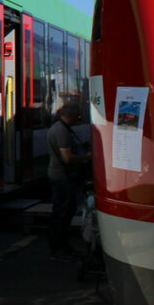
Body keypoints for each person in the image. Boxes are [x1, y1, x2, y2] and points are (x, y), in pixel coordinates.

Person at [48, 102, 92, 261]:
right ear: (71, 116)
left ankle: (63, 248)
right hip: (63, 177)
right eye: (77, 116)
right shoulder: (62, 131)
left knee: (63, 213)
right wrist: (86, 157)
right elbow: (67, 158)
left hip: (60, 176)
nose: (78, 120)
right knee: (62, 214)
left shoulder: (58, 127)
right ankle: (59, 250)